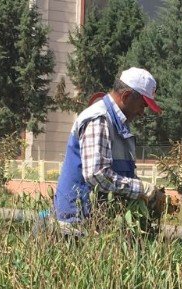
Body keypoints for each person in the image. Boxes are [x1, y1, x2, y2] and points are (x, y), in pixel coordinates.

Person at [51, 67, 166, 231]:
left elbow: (120, 174)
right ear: (126, 96)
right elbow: (97, 175)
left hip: (99, 223)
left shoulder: (119, 126)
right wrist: (142, 189)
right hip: (77, 223)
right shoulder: (99, 119)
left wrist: (148, 195)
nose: (142, 112)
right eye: (142, 105)